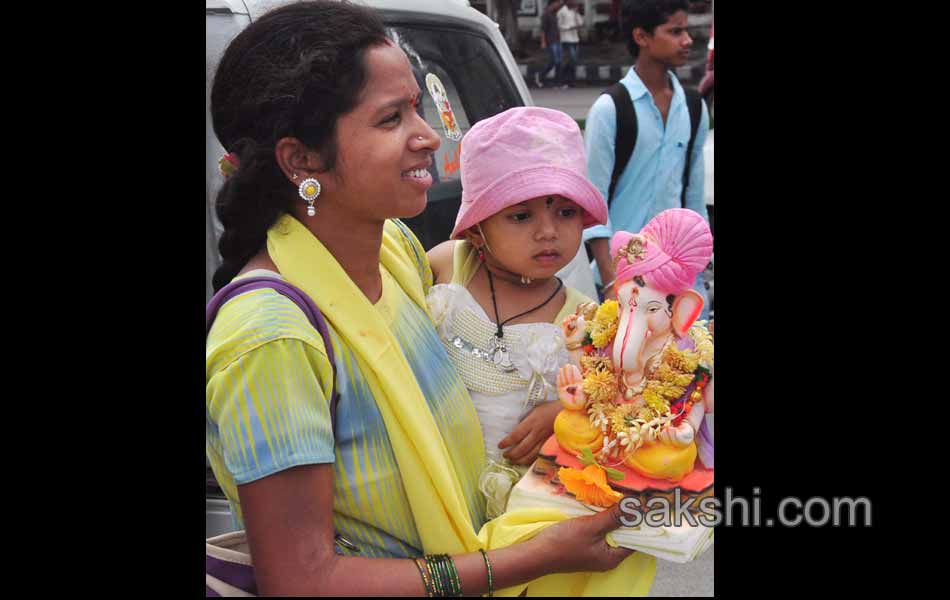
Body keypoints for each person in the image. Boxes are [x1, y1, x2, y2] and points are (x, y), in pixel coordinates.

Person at [206, 1, 655, 596]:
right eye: (391, 119)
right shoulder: (271, 336)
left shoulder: (397, 255)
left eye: (418, 107)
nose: (430, 137)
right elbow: (303, 581)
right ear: (301, 160)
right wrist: (526, 560)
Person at [425, 107, 607, 518]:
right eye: (521, 216)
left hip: (518, 515)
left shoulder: (587, 319)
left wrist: (564, 411)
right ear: (476, 228)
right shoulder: (447, 267)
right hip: (429, 490)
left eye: (565, 212)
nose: (548, 231)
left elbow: (613, 403)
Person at [582, 0, 710, 310]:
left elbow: (693, 201)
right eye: (675, 31)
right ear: (642, 37)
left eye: (687, 30)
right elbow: (594, 204)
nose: (687, 40)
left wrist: (698, 269)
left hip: (680, 282)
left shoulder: (693, 107)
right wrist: (612, 283)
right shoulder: (611, 109)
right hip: (623, 279)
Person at [535, 0, 563, 88]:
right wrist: (543, 42)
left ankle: (558, 82)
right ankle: (540, 76)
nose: (559, 5)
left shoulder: (554, 14)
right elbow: (543, 30)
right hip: (550, 41)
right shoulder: (546, 15)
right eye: (557, 3)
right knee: (553, 61)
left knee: (559, 62)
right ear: (553, 3)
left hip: (557, 40)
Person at [557, 0, 584, 87]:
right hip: (566, 39)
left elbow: (580, 23)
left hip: (575, 39)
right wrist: (569, 27)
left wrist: (576, 13)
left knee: (573, 61)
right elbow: (559, 26)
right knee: (571, 59)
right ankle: (563, 79)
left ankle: (571, 80)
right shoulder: (561, 12)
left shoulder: (574, 11)